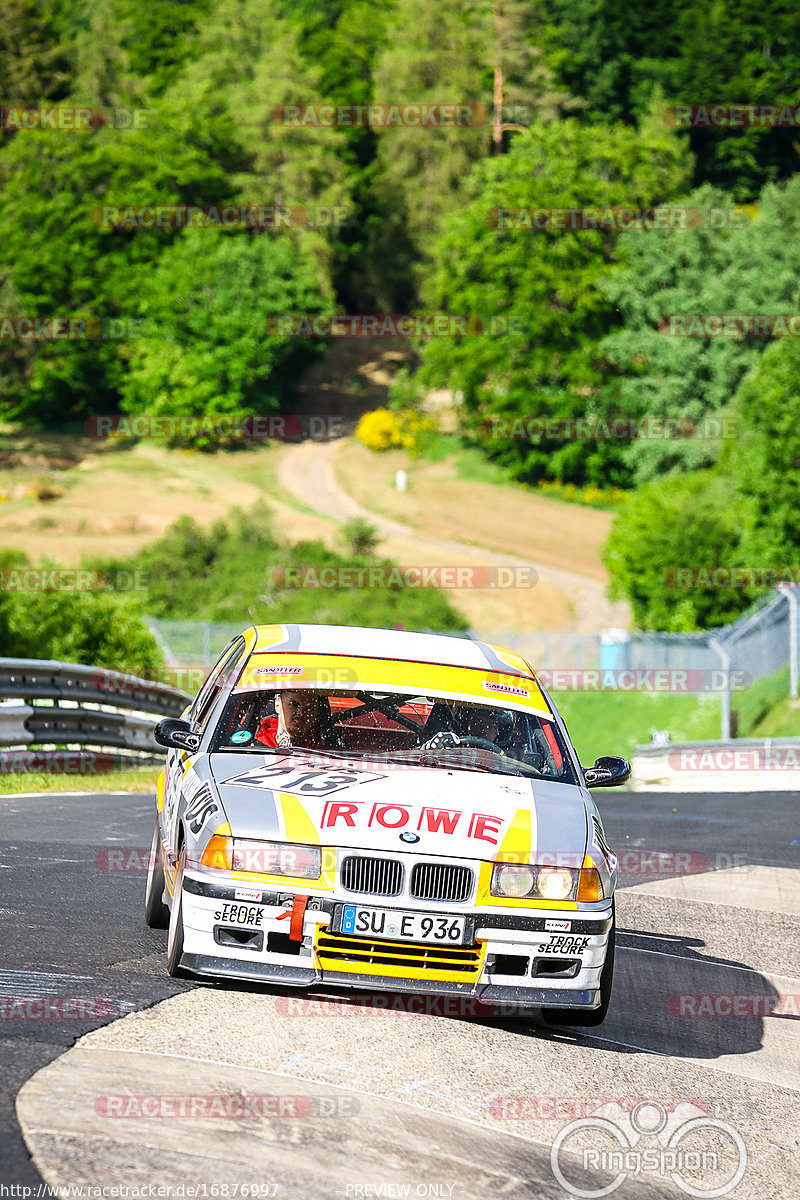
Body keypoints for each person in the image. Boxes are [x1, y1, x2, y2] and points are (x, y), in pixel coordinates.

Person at [254, 690, 336, 749]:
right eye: (294, 705)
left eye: (309, 708)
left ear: (316, 712)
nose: (301, 713)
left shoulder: (328, 746)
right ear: (277, 705)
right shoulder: (252, 742)